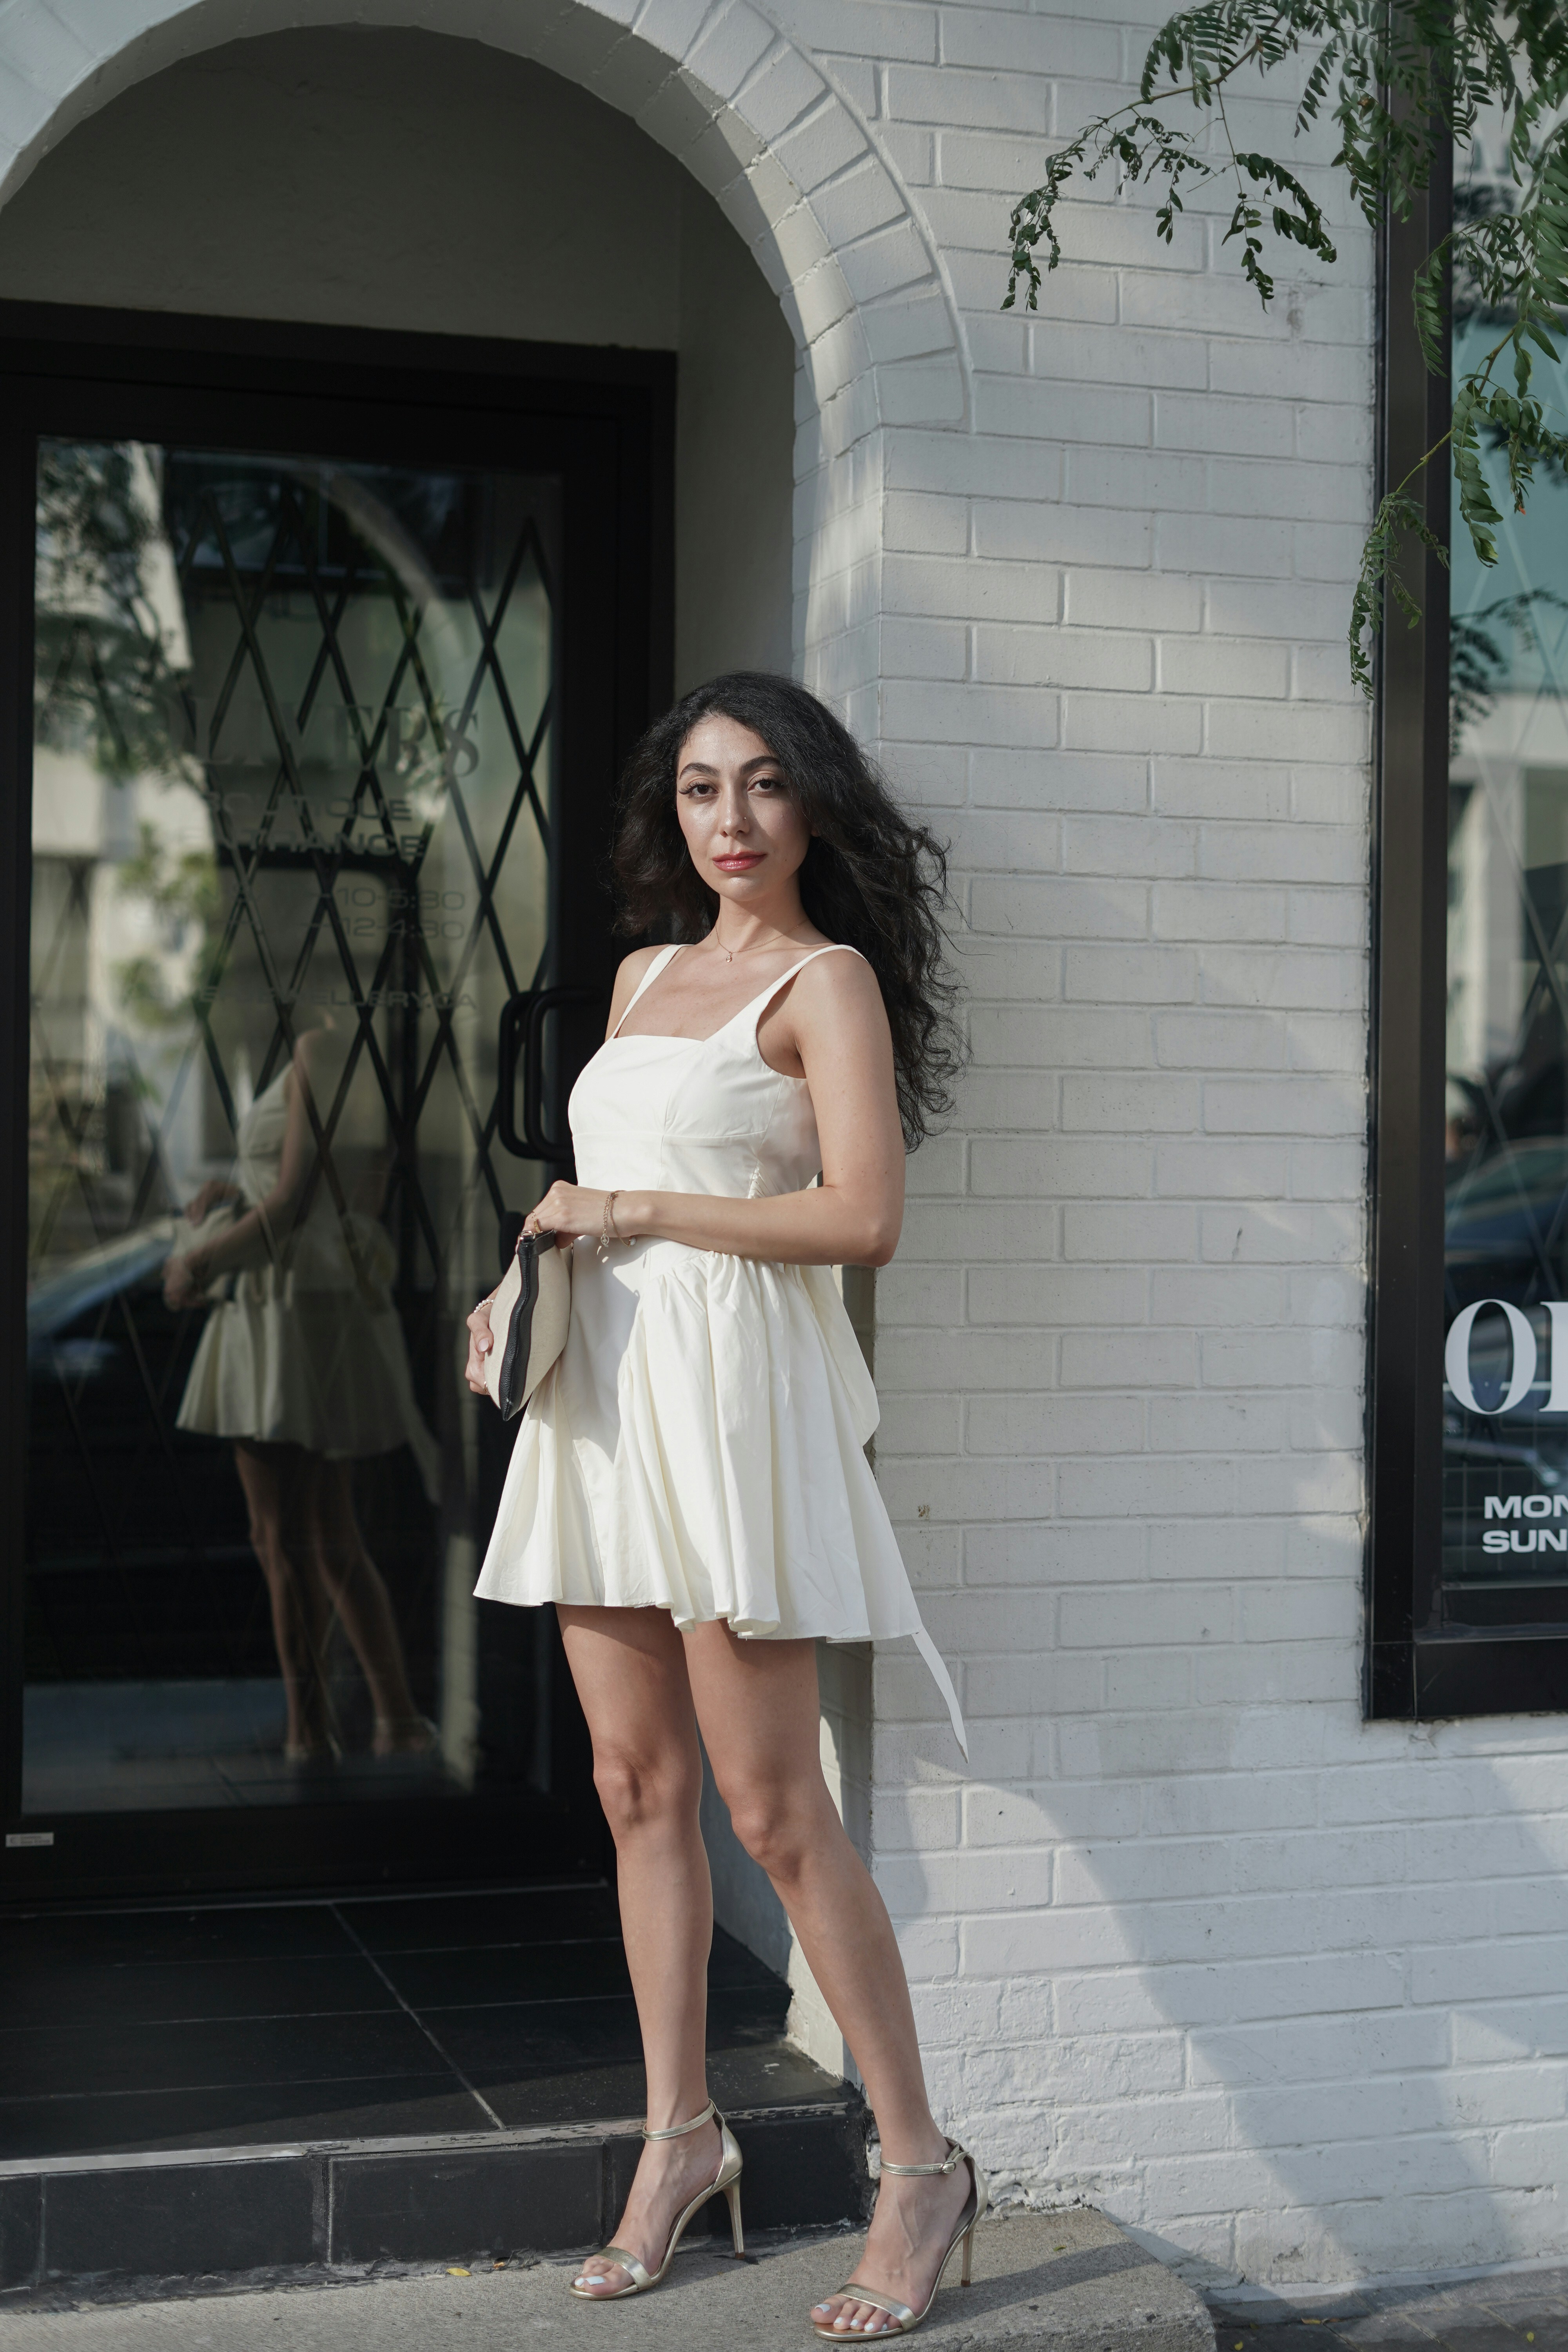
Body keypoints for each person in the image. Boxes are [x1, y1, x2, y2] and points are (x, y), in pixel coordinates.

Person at [465, 673, 983, 2337]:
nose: (733, 821)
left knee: (774, 1810)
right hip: (602, 1402)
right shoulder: (638, 972)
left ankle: (918, 2168)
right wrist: (523, 1268)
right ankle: (678, 2138)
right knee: (635, 1786)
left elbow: (862, 1220)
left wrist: (632, 1203)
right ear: (669, 813)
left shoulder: (827, 984)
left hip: (729, 1415)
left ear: (815, 805)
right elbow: (591, 1198)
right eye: (700, 790)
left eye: (763, 787)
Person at [165, 1016, 439, 1764]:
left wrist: (197, 1264)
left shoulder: (323, 1047)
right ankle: (397, 1720)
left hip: (281, 1308)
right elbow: (327, 1189)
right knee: (328, 1535)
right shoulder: (348, 1049)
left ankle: (308, 1735)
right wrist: (233, 1189)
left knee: (281, 1537)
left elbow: (290, 1204)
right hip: (306, 1303)